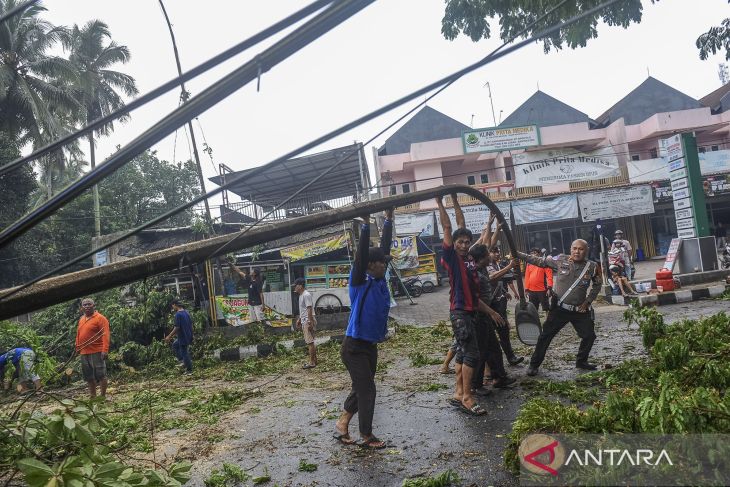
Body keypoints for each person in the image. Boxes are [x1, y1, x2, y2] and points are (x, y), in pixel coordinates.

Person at [436, 194, 505, 417]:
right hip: (459, 313)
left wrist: (456, 200)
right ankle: (467, 397)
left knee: (463, 354)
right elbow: (449, 226)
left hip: (470, 311)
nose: (464, 244)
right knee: (472, 354)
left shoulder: (469, 260)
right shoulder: (452, 257)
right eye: (460, 242)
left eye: (467, 241)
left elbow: (462, 224)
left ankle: (459, 393)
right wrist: (440, 202)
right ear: (453, 244)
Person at [334, 208, 393, 449]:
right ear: (371, 265)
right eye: (381, 263)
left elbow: (385, 250)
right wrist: (367, 225)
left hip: (370, 346)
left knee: (362, 387)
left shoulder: (379, 279)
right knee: (368, 390)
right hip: (354, 346)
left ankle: (341, 424)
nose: (385, 265)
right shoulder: (359, 280)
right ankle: (367, 435)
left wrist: (389, 219)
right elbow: (360, 257)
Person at [517, 240, 602, 376]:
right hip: (559, 309)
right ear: (570, 248)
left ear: (586, 250)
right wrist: (518, 254)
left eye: (580, 249)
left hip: (579, 310)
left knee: (589, 336)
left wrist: (588, 301)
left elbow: (598, 284)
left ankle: (581, 361)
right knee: (545, 336)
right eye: (574, 248)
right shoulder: (561, 259)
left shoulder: (592, 266)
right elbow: (538, 260)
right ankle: (534, 365)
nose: (577, 251)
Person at [468, 244, 516, 394]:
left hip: (485, 316)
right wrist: (492, 312)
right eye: (488, 254)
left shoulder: (482, 268)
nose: (491, 256)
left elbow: (488, 239)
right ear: (482, 258)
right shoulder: (474, 273)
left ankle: (499, 378)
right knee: (481, 351)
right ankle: (476, 385)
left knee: (494, 349)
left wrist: (492, 224)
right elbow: (475, 300)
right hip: (479, 316)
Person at [487, 246, 524, 365]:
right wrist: (510, 266)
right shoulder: (487, 266)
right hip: (488, 305)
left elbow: (498, 281)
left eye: (498, 252)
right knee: (487, 336)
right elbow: (492, 277)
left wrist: (504, 291)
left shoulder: (497, 265)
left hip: (498, 303)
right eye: (493, 252)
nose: (497, 254)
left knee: (503, 331)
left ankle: (510, 357)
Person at [75, 298, 110, 399]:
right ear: (82, 307)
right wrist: (77, 346)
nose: (87, 306)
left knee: (101, 375)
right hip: (84, 351)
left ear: (93, 305)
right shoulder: (82, 319)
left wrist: (105, 350)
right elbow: (78, 333)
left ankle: (102, 396)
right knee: (89, 376)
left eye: (89, 304)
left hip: (97, 351)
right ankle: (93, 396)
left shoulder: (100, 318)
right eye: (84, 305)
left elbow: (106, 334)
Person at [164, 300, 194, 374]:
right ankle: (182, 361)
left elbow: (177, 327)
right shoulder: (186, 312)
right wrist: (192, 334)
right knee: (175, 345)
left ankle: (189, 370)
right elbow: (191, 324)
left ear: (175, 305)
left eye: (172, 306)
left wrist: (169, 336)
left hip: (183, 336)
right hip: (188, 335)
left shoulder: (178, 314)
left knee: (184, 352)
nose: (173, 307)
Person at [294, 278, 317, 369]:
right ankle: (314, 360)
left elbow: (309, 309)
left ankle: (311, 362)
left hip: (307, 320)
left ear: (300, 286)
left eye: (296, 285)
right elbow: (303, 309)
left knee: (310, 342)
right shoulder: (301, 295)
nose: (295, 287)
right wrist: (299, 319)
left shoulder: (306, 295)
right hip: (305, 320)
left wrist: (310, 322)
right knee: (311, 341)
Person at [524, 247, 554, 312]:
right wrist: (526, 289)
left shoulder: (544, 263)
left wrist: (549, 288)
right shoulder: (529, 264)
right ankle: (535, 320)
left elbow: (549, 276)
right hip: (531, 291)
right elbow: (527, 277)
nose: (533, 254)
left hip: (542, 290)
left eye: (535, 253)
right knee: (533, 308)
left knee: (546, 308)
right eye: (531, 253)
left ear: (538, 254)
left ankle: (548, 321)